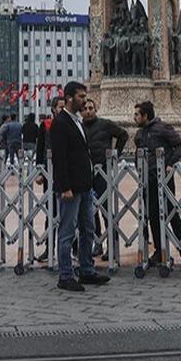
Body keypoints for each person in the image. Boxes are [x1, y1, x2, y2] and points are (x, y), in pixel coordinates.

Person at [48, 81, 110, 292]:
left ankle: (86, 269)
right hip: (71, 188)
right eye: (81, 96)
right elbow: (60, 158)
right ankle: (65, 275)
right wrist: (64, 186)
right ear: (69, 98)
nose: (85, 100)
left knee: (88, 229)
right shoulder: (61, 123)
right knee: (67, 231)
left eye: (85, 96)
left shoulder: (77, 121)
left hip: (85, 187)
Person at [134, 100, 181, 269]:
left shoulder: (163, 128)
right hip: (147, 178)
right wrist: (139, 169)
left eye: (137, 114)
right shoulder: (139, 134)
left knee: (171, 212)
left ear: (145, 115)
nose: (134, 117)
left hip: (163, 177)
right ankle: (159, 250)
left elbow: (180, 145)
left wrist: (170, 163)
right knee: (152, 215)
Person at [81, 98, 128, 260]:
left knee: (106, 210)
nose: (88, 111)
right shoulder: (79, 127)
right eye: (85, 108)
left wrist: (115, 154)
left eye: (91, 108)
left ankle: (112, 245)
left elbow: (123, 135)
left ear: (96, 109)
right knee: (90, 210)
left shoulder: (105, 124)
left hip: (103, 171)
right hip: (86, 172)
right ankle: (97, 242)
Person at [33, 96, 67, 263]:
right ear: (54, 109)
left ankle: (70, 249)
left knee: (69, 213)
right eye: (60, 107)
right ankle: (49, 248)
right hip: (49, 173)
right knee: (50, 212)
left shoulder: (71, 124)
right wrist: (39, 171)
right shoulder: (45, 125)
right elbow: (39, 150)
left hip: (67, 173)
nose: (62, 109)